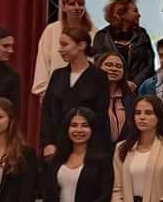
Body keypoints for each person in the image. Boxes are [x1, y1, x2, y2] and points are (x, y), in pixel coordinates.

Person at [40, 27, 111, 158]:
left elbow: (100, 116)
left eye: (65, 45)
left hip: (87, 149)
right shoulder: (57, 75)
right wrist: (48, 143)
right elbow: (47, 112)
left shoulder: (99, 77)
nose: (60, 49)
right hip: (56, 148)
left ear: (81, 45)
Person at [32, 0, 95, 96]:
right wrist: (42, 89)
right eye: (72, 4)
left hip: (86, 91)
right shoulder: (51, 30)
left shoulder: (93, 31)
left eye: (80, 4)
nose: (77, 7)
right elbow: (43, 60)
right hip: (56, 91)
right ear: (64, 7)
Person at [93, 0, 156, 88]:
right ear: (122, 14)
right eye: (135, 11)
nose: (139, 15)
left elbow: (149, 64)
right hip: (110, 88)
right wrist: (120, 84)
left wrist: (135, 83)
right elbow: (98, 64)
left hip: (139, 89)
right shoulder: (102, 36)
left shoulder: (142, 35)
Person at [96, 50, 138, 142]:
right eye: (109, 65)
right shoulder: (89, 96)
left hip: (124, 148)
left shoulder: (130, 98)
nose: (114, 69)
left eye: (119, 66)